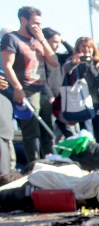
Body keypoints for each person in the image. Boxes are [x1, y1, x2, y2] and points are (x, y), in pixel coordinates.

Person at [1, 6, 59, 164]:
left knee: (47, 130)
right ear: (23, 20)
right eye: (35, 23)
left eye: (40, 24)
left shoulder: (38, 40)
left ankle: (50, 162)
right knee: (32, 131)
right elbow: (7, 65)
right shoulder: (12, 38)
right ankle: (33, 164)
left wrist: (42, 39)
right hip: (26, 89)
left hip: (42, 89)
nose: (38, 27)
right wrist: (17, 88)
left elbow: (54, 62)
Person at [61, 37, 99, 144]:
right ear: (78, 48)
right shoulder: (73, 60)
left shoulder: (97, 62)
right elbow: (66, 69)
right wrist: (74, 63)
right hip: (83, 104)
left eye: (89, 47)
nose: (86, 49)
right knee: (87, 136)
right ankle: (89, 154)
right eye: (83, 46)